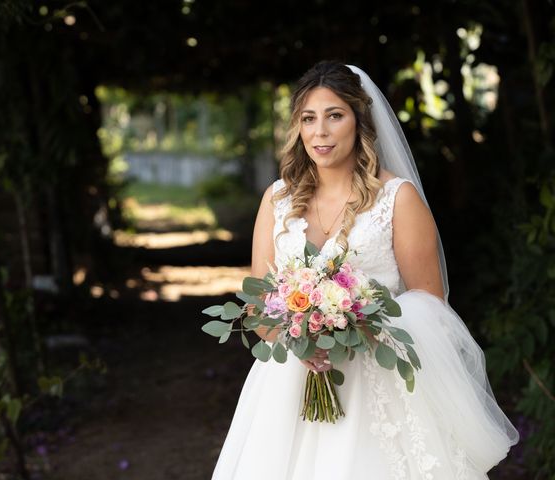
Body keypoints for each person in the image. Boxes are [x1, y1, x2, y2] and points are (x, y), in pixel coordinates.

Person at [211, 61, 518, 480]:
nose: (320, 131)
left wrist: (355, 319)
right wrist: (296, 335)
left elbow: (431, 300)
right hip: (289, 384)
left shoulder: (397, 199)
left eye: (334, 116)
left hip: (378, 384)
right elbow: (258, 303)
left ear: (359, 121)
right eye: (308, 118)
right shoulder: (277, 200)